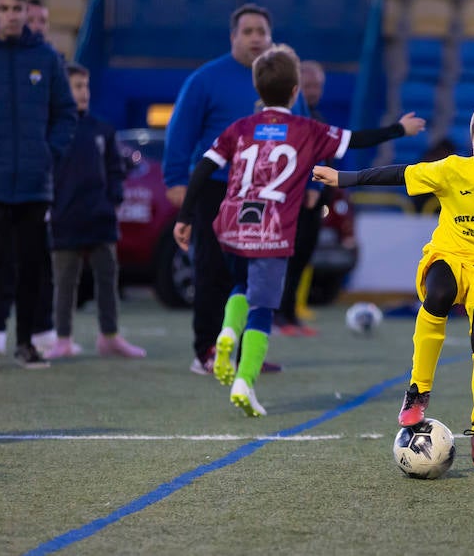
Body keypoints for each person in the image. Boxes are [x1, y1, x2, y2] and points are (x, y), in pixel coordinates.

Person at [174, 44, 425, 416]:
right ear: (295, 92)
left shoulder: (239, 128)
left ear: (257, 91)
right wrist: (398, 129)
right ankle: (245, 381)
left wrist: (185, 215)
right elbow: (356, 139)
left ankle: (226, 333)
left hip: (232, 224)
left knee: (241, 287)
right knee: (262, 309)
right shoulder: (307, 130)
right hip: (272, 231)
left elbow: (201, 168)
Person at [313, 98, 474, 465]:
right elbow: (401, 174)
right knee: (439, 291)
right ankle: (418, 391)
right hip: (449, 255)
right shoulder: (452, 170)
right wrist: (345, 179)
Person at [164, 3, 309, 376]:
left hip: (266, 195)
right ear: (233, 37)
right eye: (248, 32)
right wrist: (176, 180)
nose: (256, 38)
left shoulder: (284, 80)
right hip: (217, 190)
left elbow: (304, 134)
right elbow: (180, 132)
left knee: (255, 275)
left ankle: (246, 352)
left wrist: (307, 183)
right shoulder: (205, 79)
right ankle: (206, 351)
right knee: (211, 269)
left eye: (262, 31)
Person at [0, 0, 77, 371]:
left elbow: (65, 113)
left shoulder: (46, 58)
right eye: (5, 9)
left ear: (26, 13)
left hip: (34, 183)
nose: (12, 16)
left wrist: (49, 152)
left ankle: (27, 343)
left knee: (34, 266)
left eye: (18, 9)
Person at [43, 62, 146, 360]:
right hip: (65, 218)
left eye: (86, 86)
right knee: (64, 281)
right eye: (77, 86)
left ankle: (109, 335)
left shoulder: (102, 129)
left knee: (107, 277)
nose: (83, 92)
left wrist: (113, 197)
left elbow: (116, 167)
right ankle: (62, 338)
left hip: (100, 218)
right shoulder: (53, 130)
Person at [274, 59, 327, 336]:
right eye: (308, 85)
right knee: (286, 257)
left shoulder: (316, 118)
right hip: (292, 200)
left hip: (314, 202)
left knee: (302, 257)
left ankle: (290, 313)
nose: (314, 90)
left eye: (318, 85)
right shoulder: (289, 119)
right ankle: (278, 314)